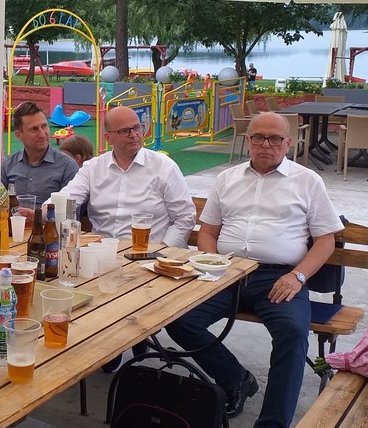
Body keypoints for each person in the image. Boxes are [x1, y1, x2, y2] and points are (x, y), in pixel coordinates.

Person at [165, 112, 343, 427]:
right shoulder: (226, 179)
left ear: (288, 142)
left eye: (275, 138)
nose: (266, 144)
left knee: (292, 333)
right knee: (178, 320)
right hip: (227, 272)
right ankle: (236, 379)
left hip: (279, 277)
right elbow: (208, 232)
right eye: (258, 137)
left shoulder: (307, 181)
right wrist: (214, 263)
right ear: (248, 140)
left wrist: (298, 276)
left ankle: (273, 423)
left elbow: (326, 241)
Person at [56, 106, 195, 246]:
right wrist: (44, 211)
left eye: (137, 128)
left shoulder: (164, 167)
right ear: (108, 138)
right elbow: (64, 200)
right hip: (102, 251)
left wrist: (163, 250)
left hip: (149, 253)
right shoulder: (92, 168)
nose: (134, 135)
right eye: (125, 131)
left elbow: (185, 217)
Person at [1, 101, 79, 205]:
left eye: (44, 126)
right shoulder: (8, 165)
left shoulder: (67, 166)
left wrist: (37, 213)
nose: (42, 134)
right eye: (34, 129)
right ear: (19, 135)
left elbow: (71, 209)